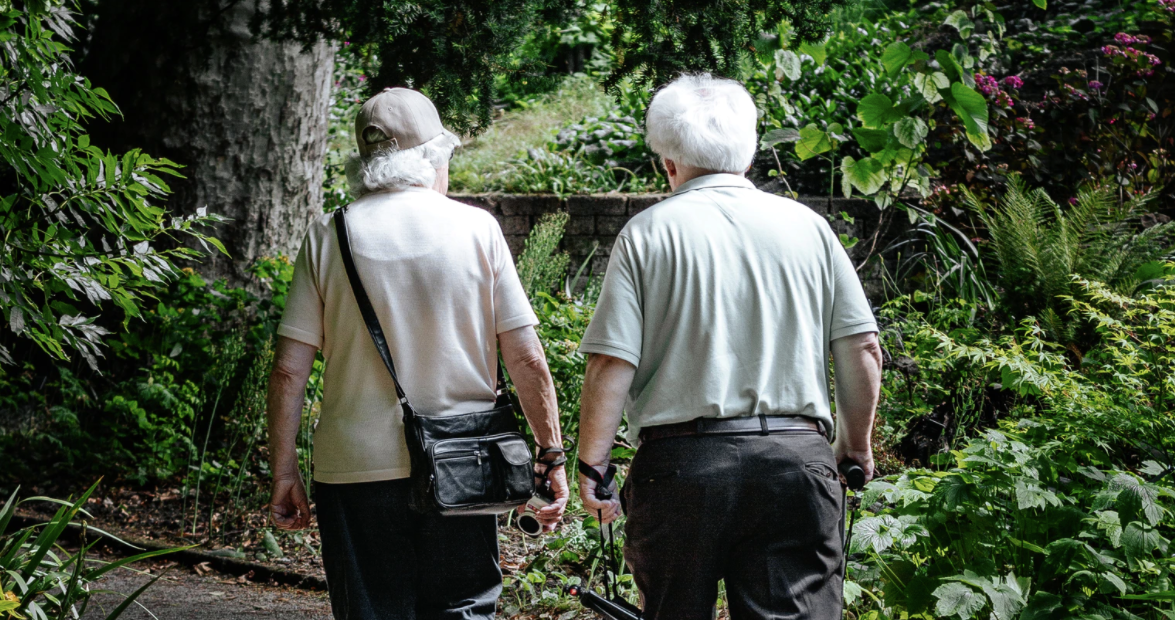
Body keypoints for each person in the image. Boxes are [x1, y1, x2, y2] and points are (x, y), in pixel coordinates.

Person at [575, 74, 883, 620]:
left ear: (668, 163)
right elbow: (861, 346)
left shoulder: (647, 234)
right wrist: (855, 447)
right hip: (795, 461)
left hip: (679, 467)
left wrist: (592, 465)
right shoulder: (810, 228)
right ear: (750, 151)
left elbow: (610, 361)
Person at [266, 87, 569, 620]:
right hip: (463, 460)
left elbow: (290, 370)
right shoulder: (479, 229)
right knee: (463, 609)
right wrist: (551, 454)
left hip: (354, 469)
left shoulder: (328, 234)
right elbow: (527, 359)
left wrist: (284, 470)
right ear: (432, 156)